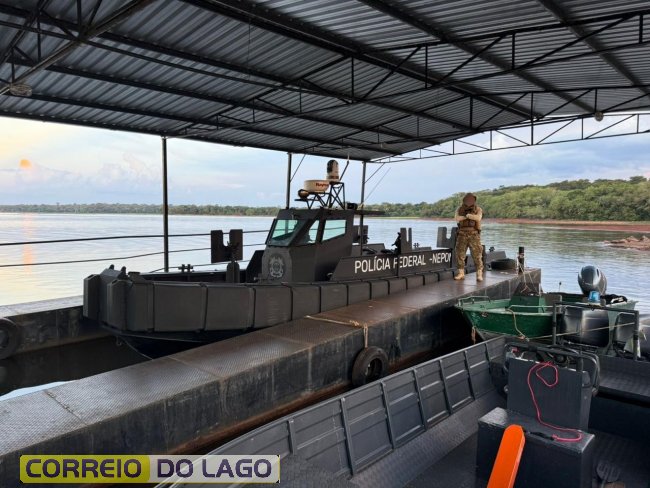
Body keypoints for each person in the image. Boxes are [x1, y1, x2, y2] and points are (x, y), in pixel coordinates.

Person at [454, 193, 484, 282]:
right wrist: (465, 216)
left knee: (477, 255)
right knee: (460, 254)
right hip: (462, 234)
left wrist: (469, 216)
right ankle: (461, 273)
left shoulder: (478, 209)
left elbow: (478, 218)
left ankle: (479, 274)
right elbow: (457, 218)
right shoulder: (459, 209)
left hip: (473, 234)